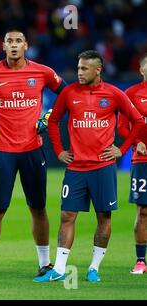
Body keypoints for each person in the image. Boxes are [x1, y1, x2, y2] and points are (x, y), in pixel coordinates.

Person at [0, 28, 66, 278]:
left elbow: (66, 94)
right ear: (3, 46)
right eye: (9, 41)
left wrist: (48, 117)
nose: (14, 45)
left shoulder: (42, 71)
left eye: (18, 41)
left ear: (26, 45)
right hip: (2, 150)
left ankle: (44, 262)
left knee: (38, 208)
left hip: (33, 149)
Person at [34, 50, 144, 283]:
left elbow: (137, 121)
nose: (79, 73)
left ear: (98, 70)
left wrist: (121, 150)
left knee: (103, 217)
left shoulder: (114, 94)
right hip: (75, 167)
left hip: (103, 167)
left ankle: (94, 268)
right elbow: (53, 121)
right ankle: (60, 269)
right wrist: (59, 151)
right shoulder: (69, 92)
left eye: (84, 68)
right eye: (78, 68)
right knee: (67, 215)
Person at [117, 53, 147, 275]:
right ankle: (140, 260)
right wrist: (137, 142)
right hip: (142, 159)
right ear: (141, 70)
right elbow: (122, 126)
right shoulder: (131, 94)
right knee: (143, 210)